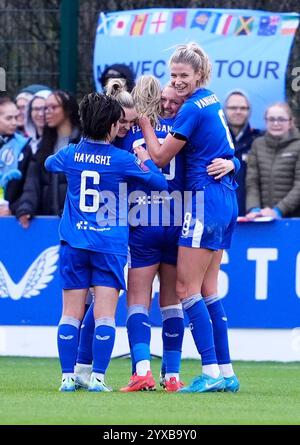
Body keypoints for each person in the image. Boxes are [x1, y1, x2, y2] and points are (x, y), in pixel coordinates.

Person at [45, 92, 167, 392]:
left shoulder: (70, 154)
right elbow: (160, 183)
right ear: (113, 125)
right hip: (108, 245)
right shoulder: (122, 159)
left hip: (74, 243)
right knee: (105, 315)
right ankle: (98, 378)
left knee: (70, 314)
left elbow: (49, 163)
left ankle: (67, 377)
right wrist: (145, 160)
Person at [139, 42, 240, 393]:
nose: (178, 82)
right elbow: (226, 148)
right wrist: (235, 163)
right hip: (226, 196)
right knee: (209, 289)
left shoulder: (191, 109)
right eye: (173, 75)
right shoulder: (211, 99)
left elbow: (161, 157)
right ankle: (225, 371)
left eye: (184, 75)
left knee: (185, 289)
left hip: (202, 200)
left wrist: (142, 121)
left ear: (199, 74)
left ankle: (210, 371)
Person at [119, 76, 186, 393]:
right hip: (175, 222)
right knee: (172, 303)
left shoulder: (129, 132)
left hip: (142, 221)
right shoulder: (182, 133)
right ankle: (172, 376)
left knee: (137, 302)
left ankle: (142, 371)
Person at [74, 79, 138, 387]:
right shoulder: (107, 145)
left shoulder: (130, 142)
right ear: (111, 121)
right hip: (104, 235)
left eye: (131, 121)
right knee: (95, 307)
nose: (125, 127)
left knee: (96, 306)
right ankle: (86, 370)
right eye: (122, 121)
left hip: (127, 227)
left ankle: (82, 370)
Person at [14, 90, 81, 228]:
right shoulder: (42, 146)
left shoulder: (84, 143)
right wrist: (26, 207)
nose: (47, 112)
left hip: (77, 224)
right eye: (46, 108)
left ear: (68, 109)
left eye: (53, 107)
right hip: (47, 222)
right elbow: (32, 184)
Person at [246, 102, 300, 218]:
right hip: (262, 218)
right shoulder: (257, 144)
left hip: (293, 219)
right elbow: (252, 182)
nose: (276, 123)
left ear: (290, 122)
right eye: (271, 119)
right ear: (266, 121)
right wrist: (254, 208)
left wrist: (278, 211)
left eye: (281, 119)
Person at [224, 90, 261, 216]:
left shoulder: (260, 140)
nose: (238, 112)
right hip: (223, 213)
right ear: (224, 110)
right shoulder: (216, 139)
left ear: (249, 111)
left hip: (253, 214)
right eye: (233, 108)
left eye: (243, 108)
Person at [0, 96, 31, 216]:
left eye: (16, 117)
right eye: (8, 118)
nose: (14, 122)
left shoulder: (24, 145)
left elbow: (27, 186)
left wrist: (12, 208)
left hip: (11, 215)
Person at [24, 89, 52, 154]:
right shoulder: (27, 144)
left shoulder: (61, 143)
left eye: (45, 108)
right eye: (36, 109)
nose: (40, 114)